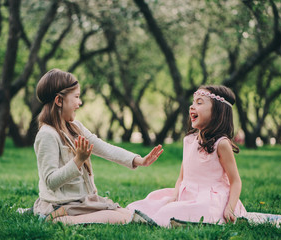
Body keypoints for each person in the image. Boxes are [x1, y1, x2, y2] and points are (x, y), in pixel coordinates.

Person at [32, 68, 163, 225]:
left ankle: (63, 217)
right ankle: (57, 219)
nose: (79, 102)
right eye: (76, 97)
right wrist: (78, 160)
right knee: (122, 217)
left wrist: (138, 160)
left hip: (80, 201)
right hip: (62, 204)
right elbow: (51, 181)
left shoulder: (75, 127)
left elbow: (103, 147)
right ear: (59, 101)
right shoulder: (47, 134)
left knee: (126, 213)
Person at [127, 85, 247, 227]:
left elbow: (235, 181)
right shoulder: (189, 140)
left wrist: (230, 208)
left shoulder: (221, 144)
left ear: (217, 112)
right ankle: (173, 214)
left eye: (199, 102)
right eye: (193, 102)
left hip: (211, 200)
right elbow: (182, 178)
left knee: (173, 211)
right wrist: (175, 196)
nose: (192, 106)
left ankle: (178, 217)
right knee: (153, 203)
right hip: (188, 196)